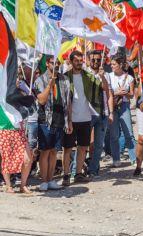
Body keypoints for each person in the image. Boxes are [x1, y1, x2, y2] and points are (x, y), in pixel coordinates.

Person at [64, 51, 104, 185]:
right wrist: (68, 120)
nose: (79, 63)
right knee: (68, 148)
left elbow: (102, 87)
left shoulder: (87, 76)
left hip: (86, 117)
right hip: (70, 119)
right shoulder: (65, 77)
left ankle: (78, 174)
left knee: (83, 147)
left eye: (81, 60)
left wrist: (102, 77)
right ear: (70, 61)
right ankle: (65, 175)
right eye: (76, 60)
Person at [33, 56, 70, 191]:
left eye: (58, 63)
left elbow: (68, 102)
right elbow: (41, 100)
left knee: (54, 151)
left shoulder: (64, 79)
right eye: (53, 63)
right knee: (45, 151)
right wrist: (50, 84)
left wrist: (69, 121)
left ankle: (51, 179)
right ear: (47, 64)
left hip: (60, 119)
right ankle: (44, 180)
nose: (56, 65)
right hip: (45, 120)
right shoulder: (39, 80)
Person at [85, 50, 114, 178]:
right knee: (82, 145)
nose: (96, 62)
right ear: (88, 60)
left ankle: (93, 169)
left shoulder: (106, 75)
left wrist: (111, 112)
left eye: (98, 59)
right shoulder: (84, 74)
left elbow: (108, 93)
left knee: (98, 145)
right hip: (86, 114)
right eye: (93, 60)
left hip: (102, 114)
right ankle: (77, 169)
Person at [108, 55, 136, 168]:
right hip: (112, 106)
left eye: (114, 64)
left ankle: (134, 158)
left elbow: (131, 95)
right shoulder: (108, 76)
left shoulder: (129, 78)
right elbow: (106, 93)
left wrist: (125, 93)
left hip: (124, 105)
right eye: (111, 64)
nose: (112, 66)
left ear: (120, 65)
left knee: (129, 133)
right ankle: (116, 158)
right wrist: (116, 93)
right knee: (114, 134)